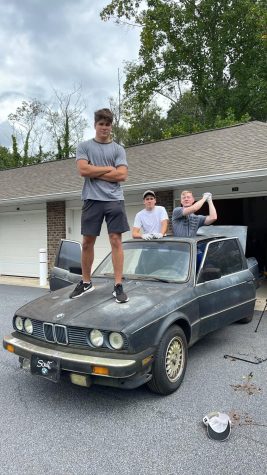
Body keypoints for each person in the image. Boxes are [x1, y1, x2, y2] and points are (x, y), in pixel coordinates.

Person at [69, 108, 129, 303]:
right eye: (101, 124)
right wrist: (108, 168)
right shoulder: (84, 146)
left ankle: (118, 285)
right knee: (87, 243)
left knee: (116, 241)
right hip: (92, 199)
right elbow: (82, 170)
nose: (104, 127)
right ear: (95, 125)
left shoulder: (118, 149)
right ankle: (86, 282)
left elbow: (122, 175)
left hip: (114, 199)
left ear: (111, 126)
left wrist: (94, 171)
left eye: (108, 124)